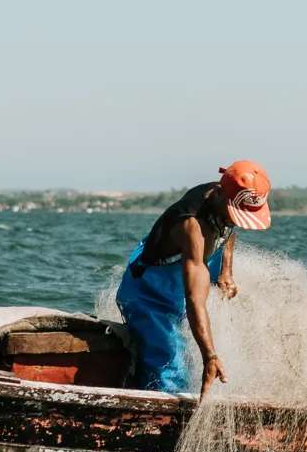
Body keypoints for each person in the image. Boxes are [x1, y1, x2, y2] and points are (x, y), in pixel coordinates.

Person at [115, 161, 272, 398]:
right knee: (170, 365)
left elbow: (230, 227)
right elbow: (195, 300)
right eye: (235, 215)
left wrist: (225, 271)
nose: (237, 220)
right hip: (148, 289)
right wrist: (210, 356)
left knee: (184, 353)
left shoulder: (225, 200)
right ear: (219, 195)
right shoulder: (193, 228)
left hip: (181, 272)